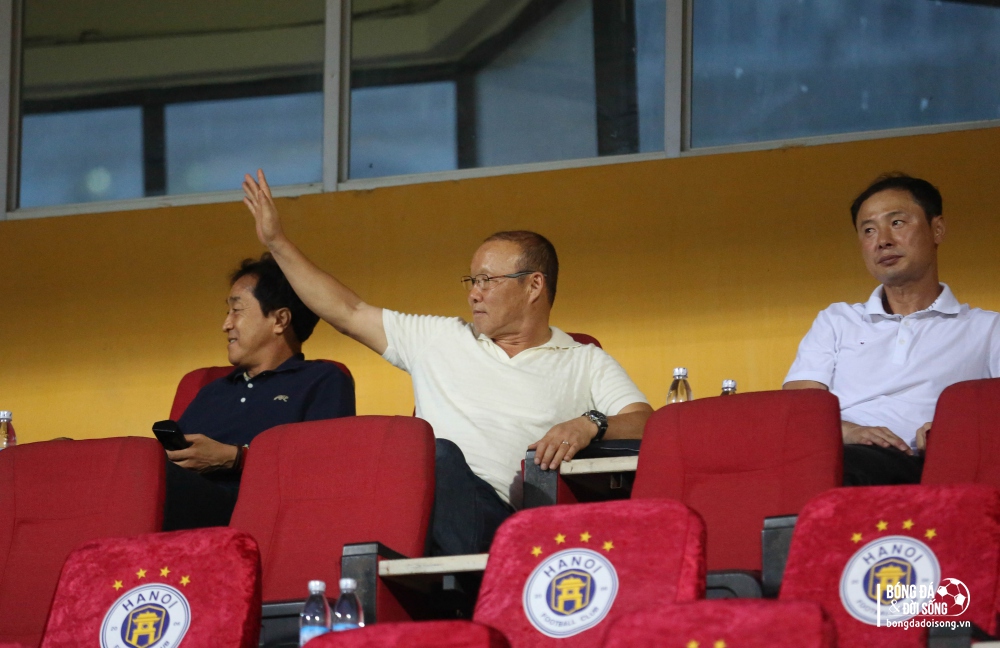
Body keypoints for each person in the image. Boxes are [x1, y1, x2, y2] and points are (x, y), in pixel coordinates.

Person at [242, 169, 652, 555]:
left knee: (434, 456)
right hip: (417, 508)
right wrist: (277, 243)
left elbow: (646, 422)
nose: (473, 293)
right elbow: (348, 312)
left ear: (533, 286)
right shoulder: (440, 338)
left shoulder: (584, 360)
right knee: (403, 460)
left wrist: (589, 423)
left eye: (487, 280)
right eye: (471, 281)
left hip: (507, 522)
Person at [784, 173, 1000, 485]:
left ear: (937, 229)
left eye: (897, 223)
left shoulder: (987, 329)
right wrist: (849, 431)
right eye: (869, 230)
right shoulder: (837, 320)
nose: (882, 240)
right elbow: (798, 410)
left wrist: (957, 429)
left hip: (923, 462)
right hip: (838, 453)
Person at [163, 254, 356, 530]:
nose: (226, 325)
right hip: (184, 504)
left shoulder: (322, 380)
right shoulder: (211, 390)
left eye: (237, 310)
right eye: (227, 312)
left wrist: (236, 458)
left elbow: (322, 466)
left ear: (280, 320)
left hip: (259, 511)